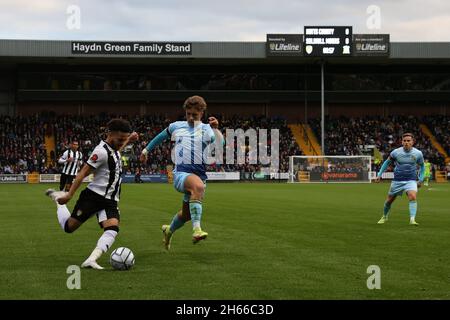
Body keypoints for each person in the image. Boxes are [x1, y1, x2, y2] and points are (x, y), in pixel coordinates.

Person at [45, 119, 138, 269]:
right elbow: (82, 173)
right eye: (120, 139)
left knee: (112, 228)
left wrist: (128, 140)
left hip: (110, 200)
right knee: (69, 227)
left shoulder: (114, 149)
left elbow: (116, 151)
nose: (122, 142)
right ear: (109, 134)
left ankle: (91, 259)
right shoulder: (100, 152)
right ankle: (58, 199)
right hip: (93, 197)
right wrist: (69, 195)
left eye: (124, 139)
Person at [140, 96, 223, 250]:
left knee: (186, 215)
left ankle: (169, 230)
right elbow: (160, 137)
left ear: (202, 113)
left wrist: (216, 129)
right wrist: (146, 150)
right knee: (198, 187)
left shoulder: (206, 129)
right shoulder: (176, 126)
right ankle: (197, 230)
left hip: (199, 175)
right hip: (181, 174)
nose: (191, 117)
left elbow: (220, 144)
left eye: (195, 115)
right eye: (188, 114)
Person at [375, 133, 425, 226]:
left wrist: (420, 179)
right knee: (389, 200)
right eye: (404, 140)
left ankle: (412, 219)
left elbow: (422, 166)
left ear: (412, 142)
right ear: (402, 142)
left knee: (412, 197)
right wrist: (379, 174)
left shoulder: (418, 153)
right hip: (397, 180)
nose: (406, 142)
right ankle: (384, 216)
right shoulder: (396, 152)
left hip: (411, 180)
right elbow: (386, 162)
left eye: (408, 141)